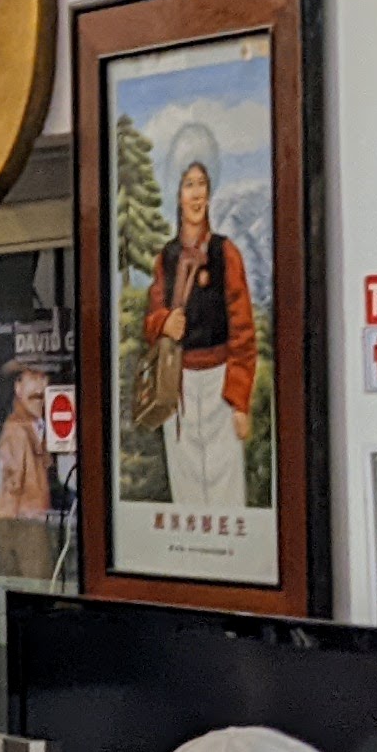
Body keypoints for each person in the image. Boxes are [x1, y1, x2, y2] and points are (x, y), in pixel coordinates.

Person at [139, 158, 257, 511]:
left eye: (201, 184)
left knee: (226, 487)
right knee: (186, 484)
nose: (196, 193)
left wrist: (239, 400)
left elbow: (243, 328)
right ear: (178, 195)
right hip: (178, 381)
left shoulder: (225, 252)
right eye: (188, 185)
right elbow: (151, 320)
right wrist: (164, 323)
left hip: (220, 380)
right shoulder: (167, 258)